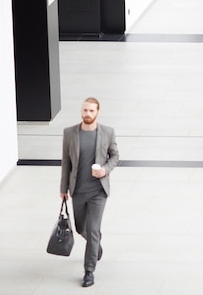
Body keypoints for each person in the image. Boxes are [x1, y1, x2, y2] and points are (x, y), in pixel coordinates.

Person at [60, 97, 120, 287]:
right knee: (80, 228)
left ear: (98, 112)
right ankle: (96, 245)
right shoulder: (70, 133)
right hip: (77, 190)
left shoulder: (107, 133)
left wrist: (105, 169)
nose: (88, 114)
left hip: (98, 191)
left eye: (91, 111)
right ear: (81, 111)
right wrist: (63, 188)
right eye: (85, 110)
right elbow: (66, 163)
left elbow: (115, 156)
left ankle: (89, 271)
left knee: (93, 229)